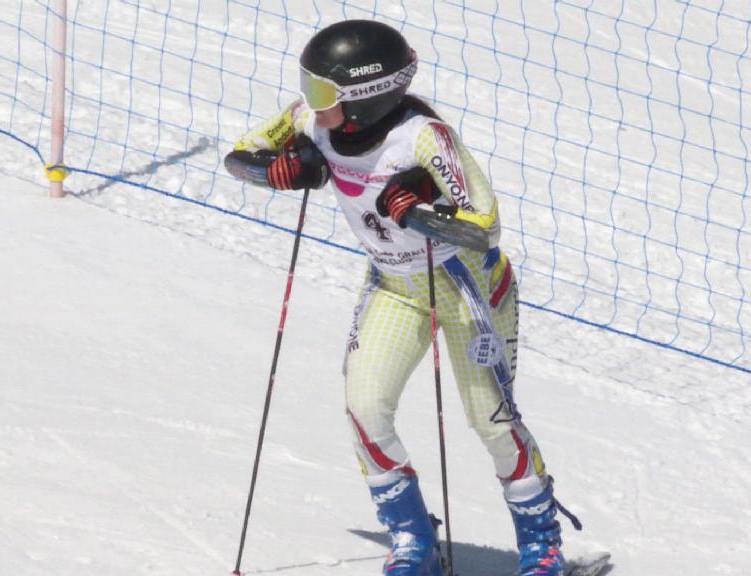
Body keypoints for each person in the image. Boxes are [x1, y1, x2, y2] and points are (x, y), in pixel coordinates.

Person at [224, 19, 577, 576]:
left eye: (323, 91)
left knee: (491, 420)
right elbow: (241, 156)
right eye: (309, 85)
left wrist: (419, 207)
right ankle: (412, 540)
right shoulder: (306, 121)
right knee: (365, 408)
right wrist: (284, 169)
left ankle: (542, 545)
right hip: (395, 286)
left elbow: (484, 226)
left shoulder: (422, 138)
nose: (310, 103)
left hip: (468, 287)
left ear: (365, 98)